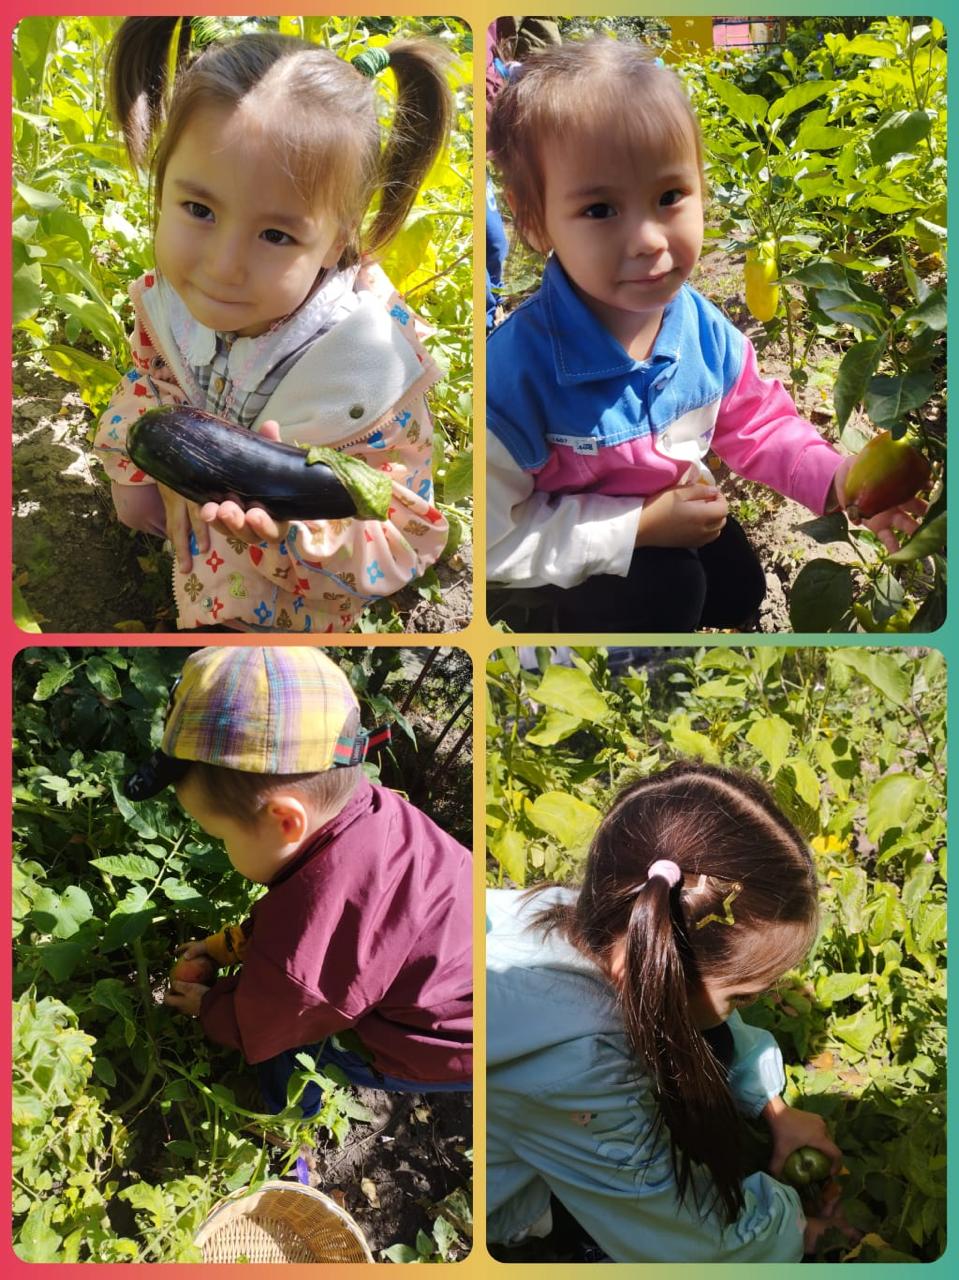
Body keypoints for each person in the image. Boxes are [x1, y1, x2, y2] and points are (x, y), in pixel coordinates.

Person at [485, 38, 923, 631]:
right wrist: (637, 526)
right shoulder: (514, 378)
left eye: (669, 197)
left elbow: (756, 421)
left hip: (673, 501)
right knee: (666, 593)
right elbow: (494, 537)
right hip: (576, 544)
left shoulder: (700, 328)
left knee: (739, 586)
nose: (648, 238)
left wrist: (838, 477)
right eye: (600, 210)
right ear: (534, 219)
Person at [95, 18, 453, 632]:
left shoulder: (370, 378)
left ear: (337, 240)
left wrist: (301, 530)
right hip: (206, 557)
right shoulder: (171, 306)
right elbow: (151, 381)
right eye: (199, 209)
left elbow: (405, 537)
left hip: (295, 597)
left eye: (276, 235)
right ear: (162, 184)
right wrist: (138, 467)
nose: (223, 265)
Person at [487, 762, 855, 1262]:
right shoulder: (580, 1067)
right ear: (659, 964)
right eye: (742, 996)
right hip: (516, 1202)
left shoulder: (609, 913)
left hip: (549, 1108)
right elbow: (682, 1239)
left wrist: (773, 1107)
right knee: (603, 1247)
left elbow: (717, 1024)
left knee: (713, 1035)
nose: (747, 1008)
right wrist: (794, 1227)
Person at [124, 646, 472, 1116]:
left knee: (300, 1050)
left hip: (443, 1043)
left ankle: (283, 1113)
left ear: (286, 821)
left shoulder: (312, 947)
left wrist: (210, 1009)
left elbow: (276, 1014)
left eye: (221, 836)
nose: (224, 850)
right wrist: (223, 946)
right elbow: (304, 916)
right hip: (464, 977)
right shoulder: (369, 815)